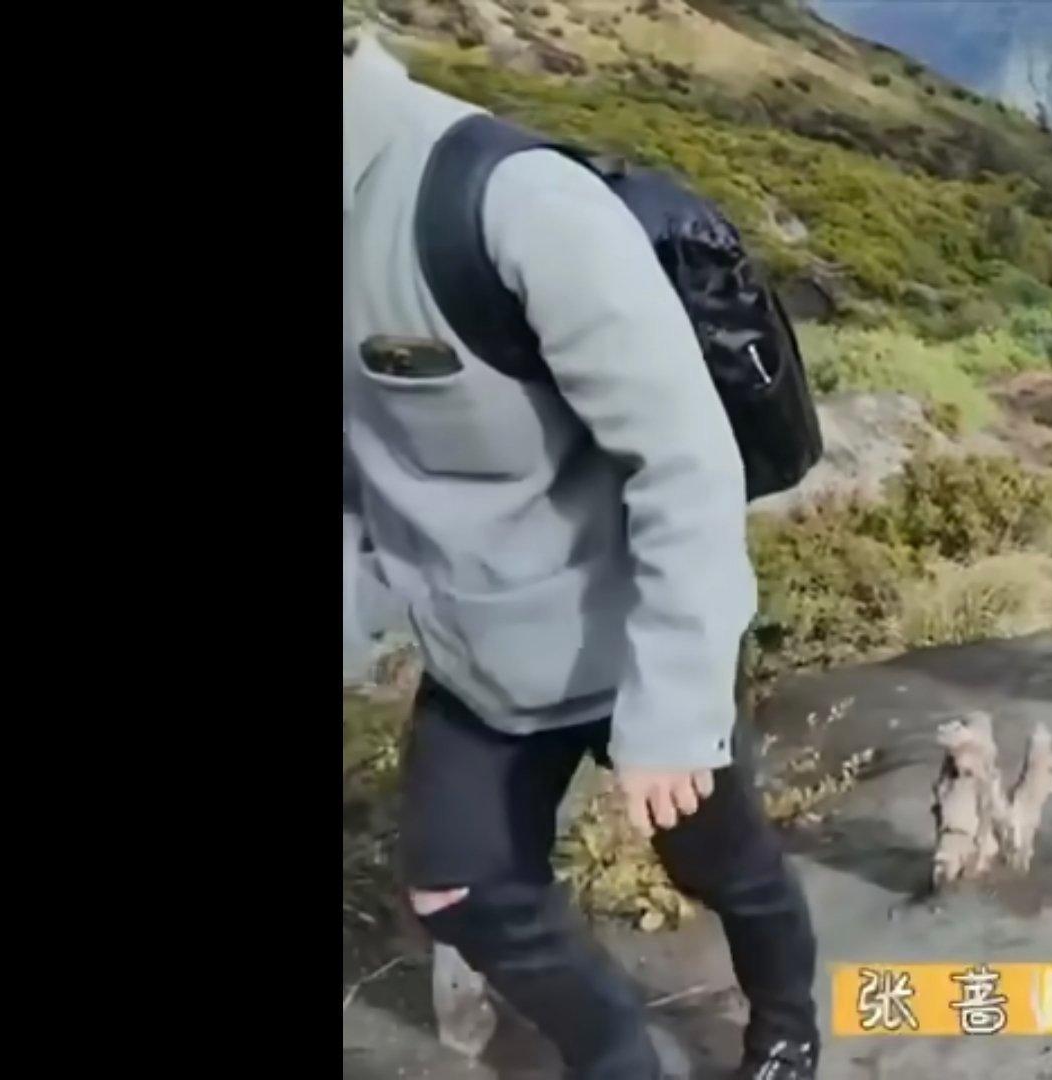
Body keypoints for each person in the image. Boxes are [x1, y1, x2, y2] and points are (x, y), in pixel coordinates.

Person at [343, 37, 817, 1080]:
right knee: (458, 886)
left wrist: (674, 712)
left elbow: (685, 465)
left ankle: (786, 1026)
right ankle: (615, 1054)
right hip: (476, 652)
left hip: (632, 635)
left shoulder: (505, 202)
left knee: (718, 861)